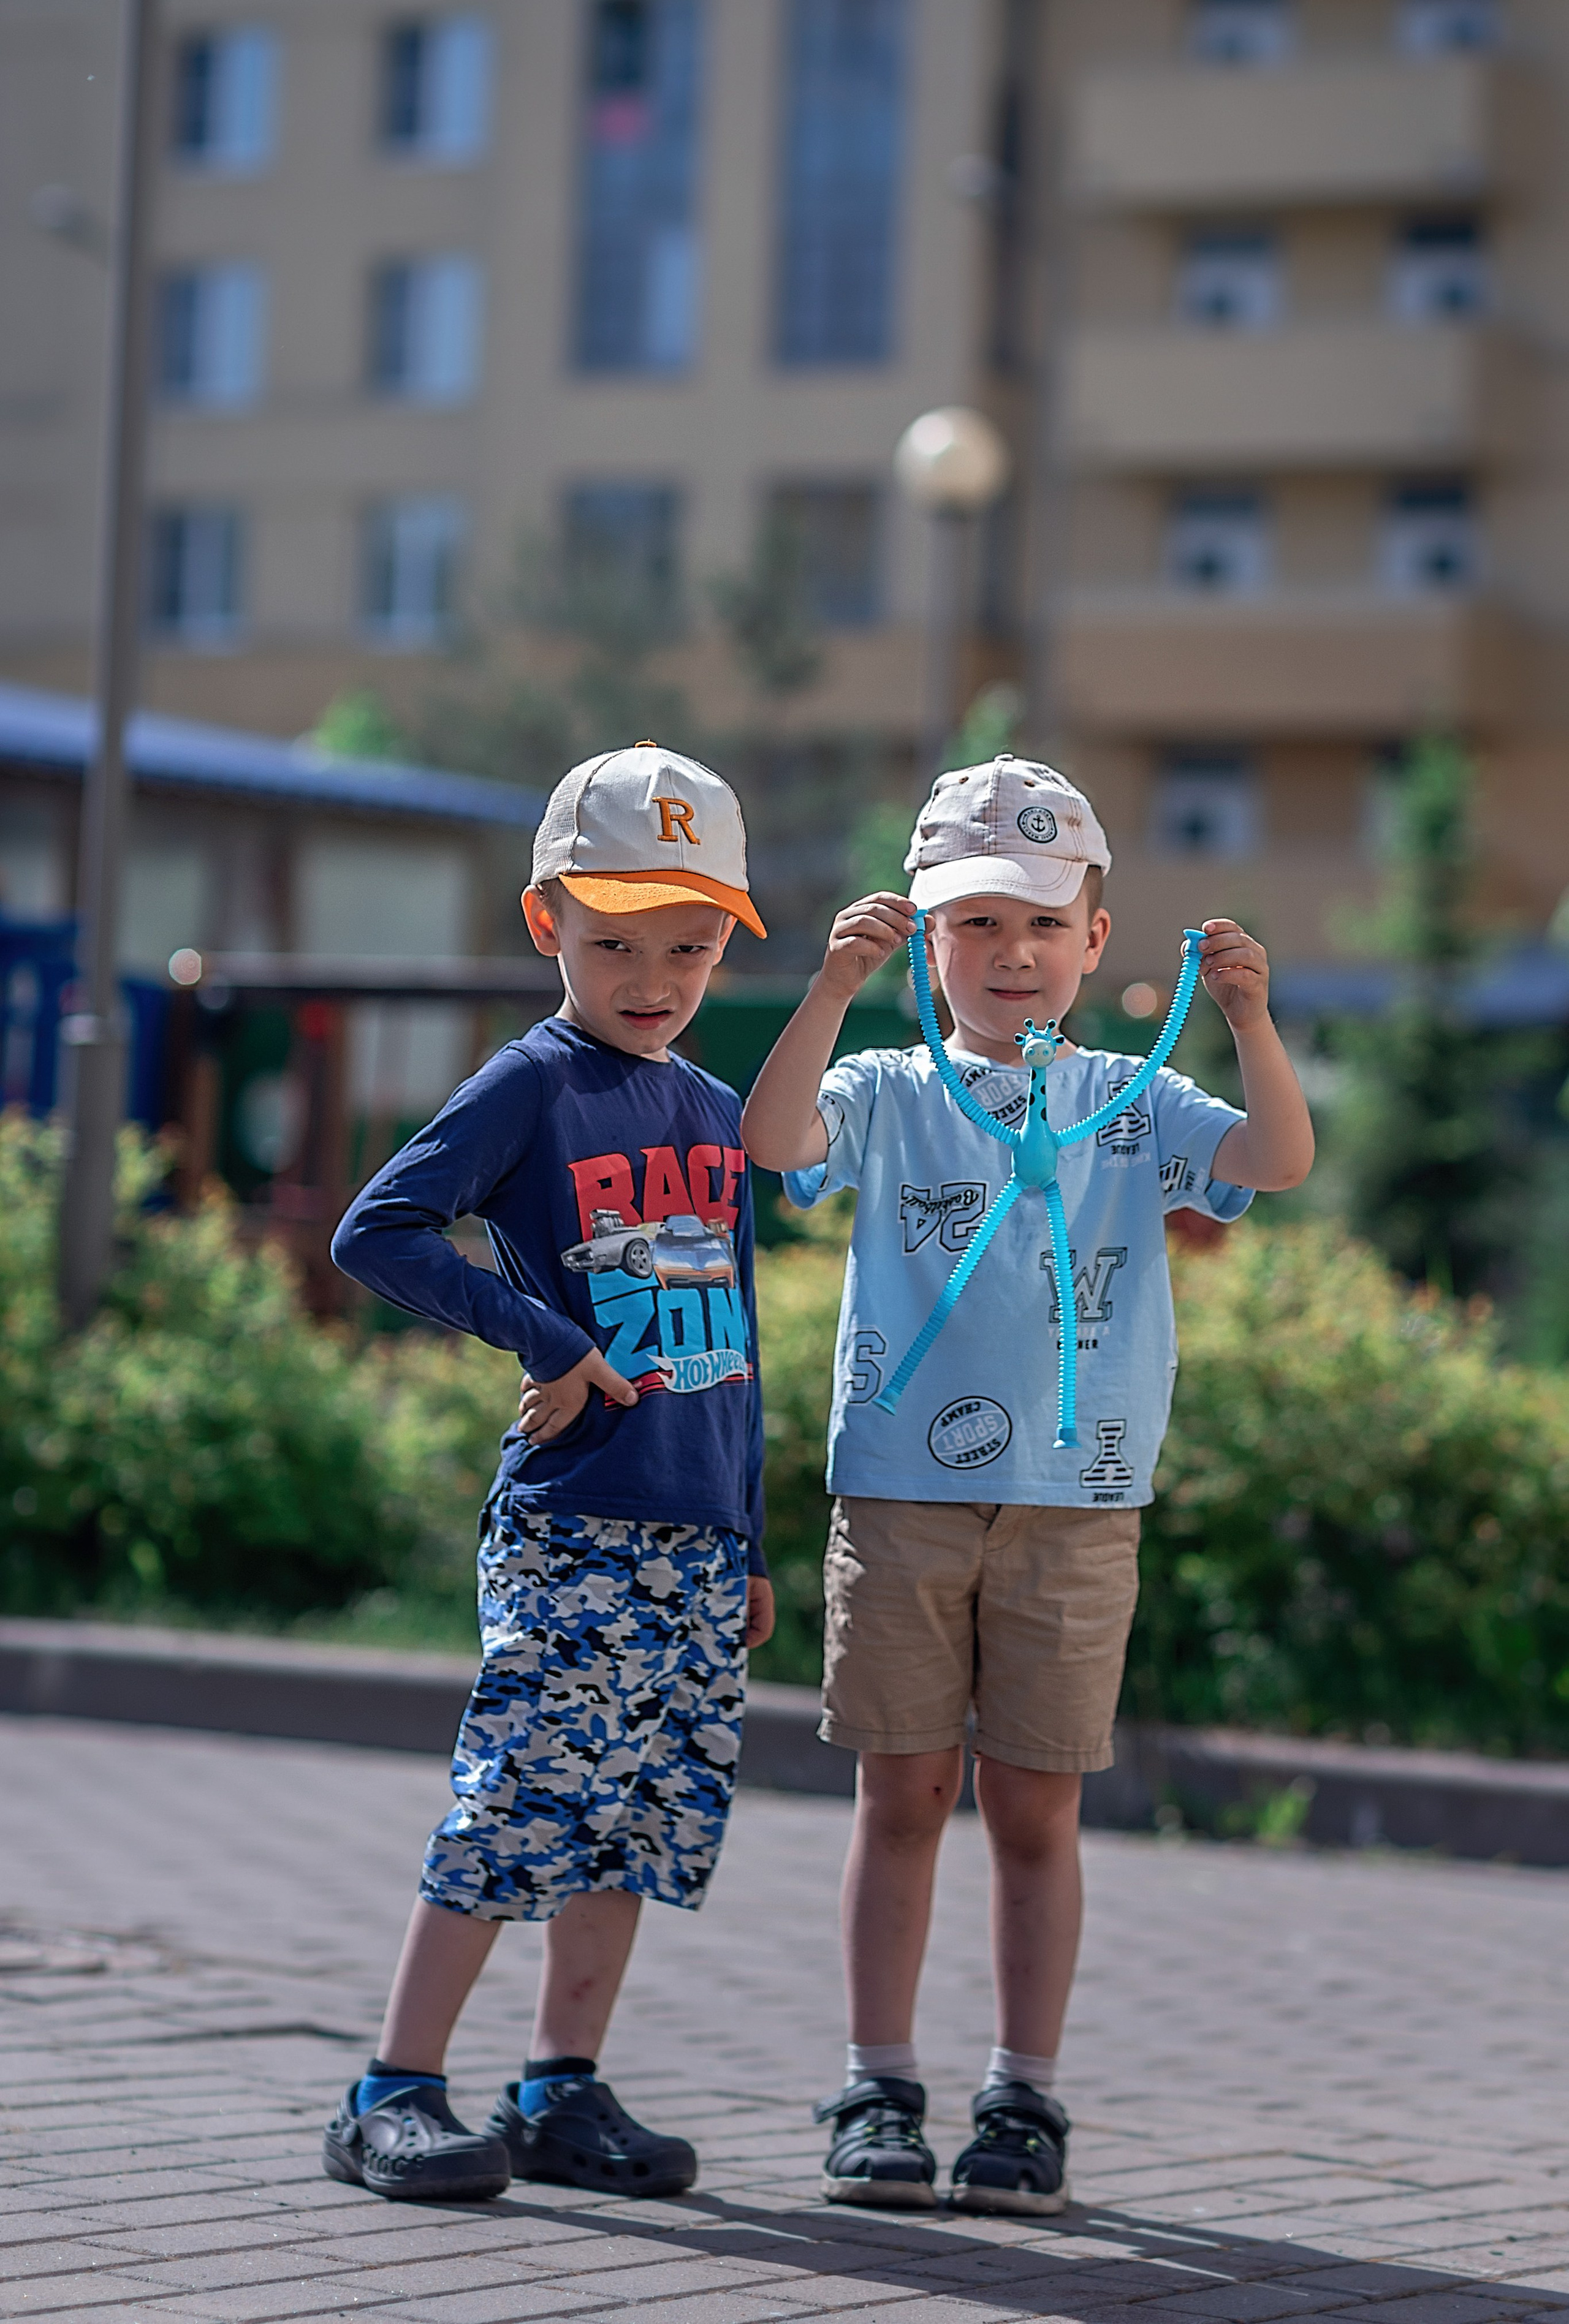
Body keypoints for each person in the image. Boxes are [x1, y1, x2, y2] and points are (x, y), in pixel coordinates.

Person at [741, 754, 1313, 2214]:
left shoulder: (1134, 1095)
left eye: (1042, 925)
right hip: (898, 1491)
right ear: (925, 941)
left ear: (1093, 944)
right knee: (902, 1794)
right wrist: (822, 992)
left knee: (1034, 1810)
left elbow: (1275, 1159)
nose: (1011, 954)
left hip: (1080, 1498)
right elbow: (771, 1142)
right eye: (975, 924)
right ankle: (876, 2080)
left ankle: (1022, 2093)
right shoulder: (882, 1085)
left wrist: (1250, 1021)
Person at [322, 743, 775, 2205]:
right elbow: (377, 1230)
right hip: (575, 1527)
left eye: (689, 947)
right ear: (546, 926)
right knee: (517, 1798)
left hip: (697, 1534)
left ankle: (558, 2091)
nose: (653, 976)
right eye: (615, 943)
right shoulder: (530, 1086)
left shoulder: (712, 1112)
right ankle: (388, 2093)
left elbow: (734, 1342)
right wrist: (547, 1338)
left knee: (634, 1815)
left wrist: (751, 1539)